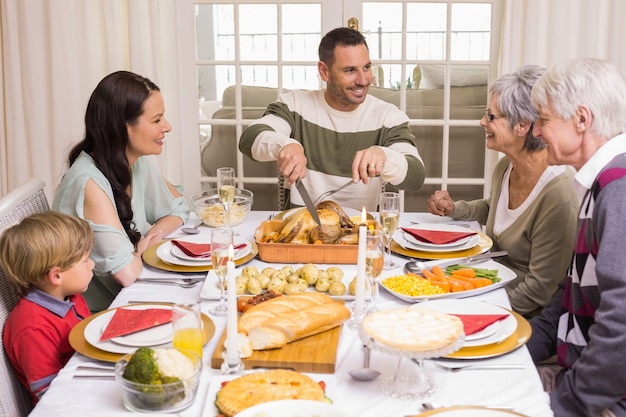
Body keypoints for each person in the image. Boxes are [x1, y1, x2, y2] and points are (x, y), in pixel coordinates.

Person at [426, 65, 579, 318]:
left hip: (523, 311)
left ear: (522, 125)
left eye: (491, 116)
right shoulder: (506, 166)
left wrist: (477, 311)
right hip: (491, 283)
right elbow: (495, 208)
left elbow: (540, 289)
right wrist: (456, 209)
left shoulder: (558, 196)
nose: (482, 121)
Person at [527, 58, 626, 417]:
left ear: (582, 120)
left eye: (544, 119)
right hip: (575, 378)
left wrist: (565, 403)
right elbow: (571, 292)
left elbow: (622, 327)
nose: (536, 131)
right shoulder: (599, 181)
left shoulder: (618, 188)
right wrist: (517, 349)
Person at [239, 27, 425, 211]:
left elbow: (416, 176)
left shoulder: (388, 116)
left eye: (366, 67)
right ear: (324, 72)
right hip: (301, 233)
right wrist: (285, 145)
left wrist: (384, 155)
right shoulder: (295, 104)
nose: (363, 80)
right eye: (350, 70)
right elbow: (249, 139)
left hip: (361, 234)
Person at [53, 71, 189, 312]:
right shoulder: (88, 183)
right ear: (123, 127)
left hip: (135, 295)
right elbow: (126, 273)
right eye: (156, 120)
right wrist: (140, 249)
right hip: (102, 314)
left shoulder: (134, 162)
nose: (167, 127)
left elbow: (179, 208)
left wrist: (152, 236)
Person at [0, 211, 95, 404]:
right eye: (85, 260)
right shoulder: (32, 328)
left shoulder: (70, 296)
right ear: (56, 276)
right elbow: (50, 396)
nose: (92, 265)